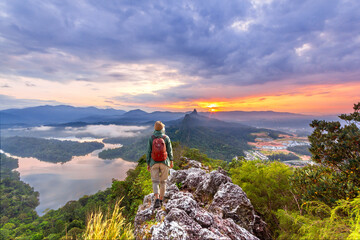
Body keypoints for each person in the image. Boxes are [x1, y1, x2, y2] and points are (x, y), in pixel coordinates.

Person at [147, 121, 173, 208]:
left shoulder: (151, 138)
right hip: (164, 162)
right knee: (163, 181)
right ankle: (161, 200)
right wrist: (171, 161)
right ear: (162, 129)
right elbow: (169, 151)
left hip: (154, 162)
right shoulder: (166, 138)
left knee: (155, 181)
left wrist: (148, 163)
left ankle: (157, 199)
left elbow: (148, 152)